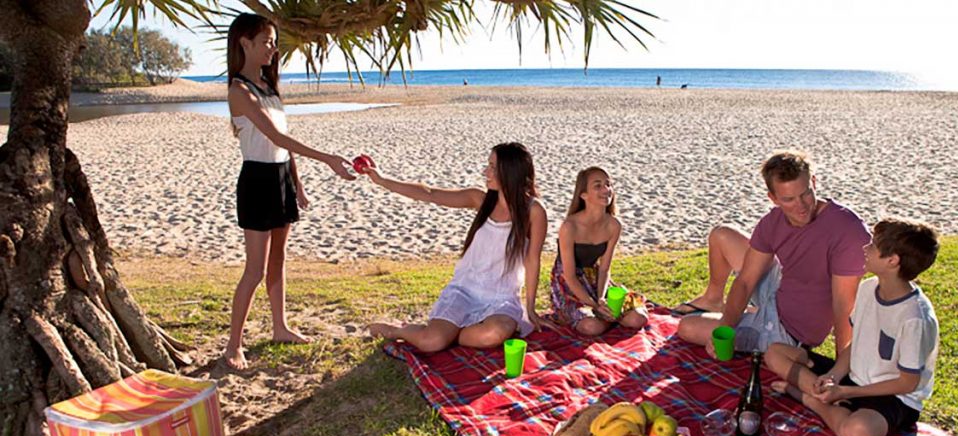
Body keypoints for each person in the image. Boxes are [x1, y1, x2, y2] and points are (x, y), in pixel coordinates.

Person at [222, 13, 355, 370]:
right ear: (244, 43)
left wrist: (297, 183)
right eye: (266, 41)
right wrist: (327, 158)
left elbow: (284, 147)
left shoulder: (268, 86)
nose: (272, 48)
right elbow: (275, 137)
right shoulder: (240, 90)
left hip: (280, 178)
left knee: (278, 261)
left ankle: (280, 327)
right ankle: (233, 345)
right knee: (255, 270)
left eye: (273, 41)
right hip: (256, 181)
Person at [675, 150, 870, 355]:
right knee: (722, 235)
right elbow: (745, 281)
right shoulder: (773, 221)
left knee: (687, 327)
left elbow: (844, 307)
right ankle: (713, 300)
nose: (801, 206)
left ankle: (750, 316)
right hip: (780, 287)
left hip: (789, 329)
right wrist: (727, 327)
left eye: (805, 194)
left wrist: (840, 369)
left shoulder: (848, 231)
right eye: (789, 199)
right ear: (773, 198)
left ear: (813, 182)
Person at [767, 219, 940, 436]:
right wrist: (833, 377)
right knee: (774, 353)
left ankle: (810, 399)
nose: (865, 249)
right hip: (852, 378)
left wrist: (845, 392)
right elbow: (856, 344)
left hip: (892, 397)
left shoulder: (914, 317)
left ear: (892, 260)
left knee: (856, 432)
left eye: (873, 246)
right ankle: (828, 397)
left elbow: (907, 383)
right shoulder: (868, 288)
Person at [367, 143, 549, 352]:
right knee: (431, 343)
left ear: (511, 171)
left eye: (492, 167)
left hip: (502, 298)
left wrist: (532, 308)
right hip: (465, 290)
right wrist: (381, 180)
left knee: (495, 333)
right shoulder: (479, 199)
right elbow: (430, 193)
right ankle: (397, 331)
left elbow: (532, 260)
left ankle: (451, 333)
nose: (485, 172)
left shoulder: (533, 211)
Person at [549, 167, 648, 335]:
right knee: (591, 327)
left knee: (638, 319)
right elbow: (569, 276)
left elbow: (604, 268)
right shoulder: (569, 227)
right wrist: (594, 305)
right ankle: (604, 318)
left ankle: (607, 318)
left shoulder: (613, 225)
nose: (606, 190)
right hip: (569, 284)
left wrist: (601, 298)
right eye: (597, 186)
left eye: (608, 184)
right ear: (583, 195)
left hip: (596, 280)